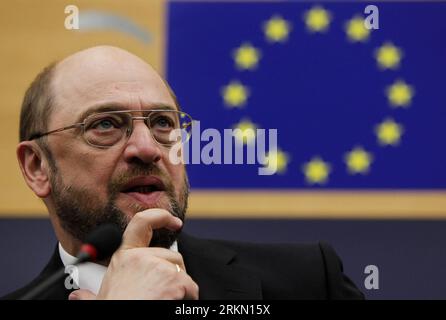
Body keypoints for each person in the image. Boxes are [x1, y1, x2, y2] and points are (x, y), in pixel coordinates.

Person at [2, 46, 363, 300]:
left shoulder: (308, 281)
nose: (147, 148)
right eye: (106, 124)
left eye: (162, 123)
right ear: (38, 167)